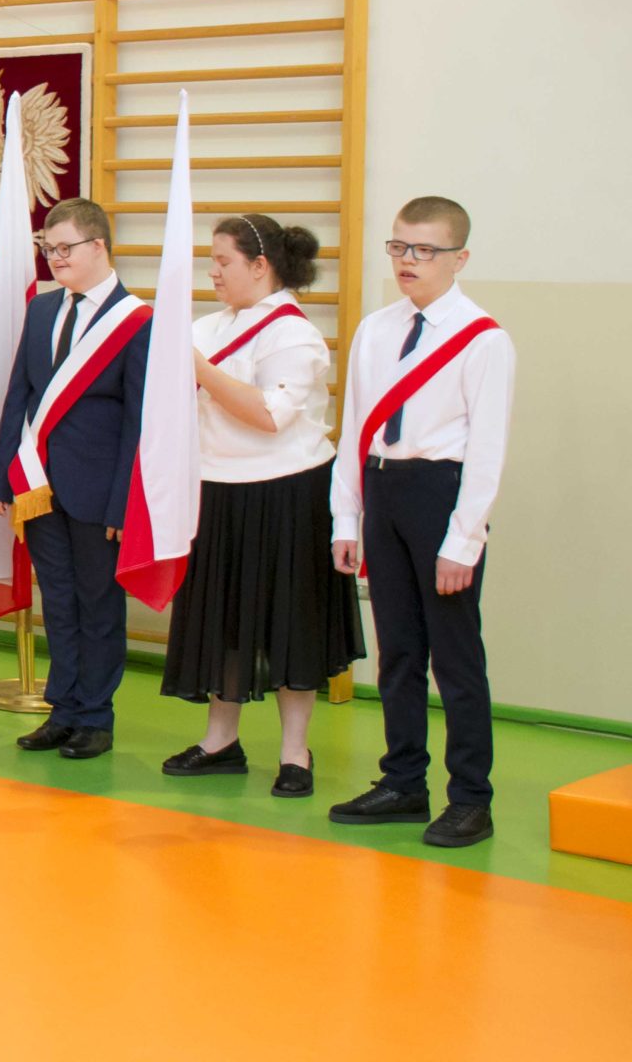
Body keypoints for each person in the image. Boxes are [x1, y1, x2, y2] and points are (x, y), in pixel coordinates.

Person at [327, 196, 513, 849]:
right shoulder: (376, 329)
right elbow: (355, 428)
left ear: (459, 258)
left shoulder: (484, 339)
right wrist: (345, 518)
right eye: (399, 246)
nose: (408, 260)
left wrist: (465, 539)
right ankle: (404, 781)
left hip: (441, 494)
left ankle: (471, 798)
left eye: (425, 250)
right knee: (399, 651)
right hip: (383, 487)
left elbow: (487, 450)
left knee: (455, 659)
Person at [162, 215, 360, 796]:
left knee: (289, 623)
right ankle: (220, 740)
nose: (213, 272)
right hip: (219, 489)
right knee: (224, 619)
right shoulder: (208, 326)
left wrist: (198, 368)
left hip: (286, 494)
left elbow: (270, 416)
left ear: (260, 266)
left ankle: (295, 752)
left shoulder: (294, 335)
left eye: (223, 261)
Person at [0, 197, 151, 761]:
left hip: (100, 490)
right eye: (48, 249)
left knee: (98, 604)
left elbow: (138, 422)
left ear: (98, 246)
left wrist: (124, 503)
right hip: (39, 485)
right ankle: (63, 710)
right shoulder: (41, 309)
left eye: (65, 248)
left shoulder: (135, 321)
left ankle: (96, 717)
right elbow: (20, 395)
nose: (55, 259)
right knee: (57, 600)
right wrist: (0, 475)